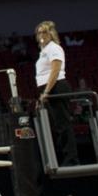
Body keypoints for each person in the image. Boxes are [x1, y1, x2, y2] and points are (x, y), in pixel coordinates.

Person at [35, 21, 77, 166]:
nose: (41, 35)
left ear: (51, 33)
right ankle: (63, 158)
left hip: (56, 87)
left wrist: (46, 91)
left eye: (44, 32)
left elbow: (55, 70)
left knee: (63, 124)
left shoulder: (54, 48)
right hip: (49, 89)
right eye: (39, 32)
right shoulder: (44, 51)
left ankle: (71, 159)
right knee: (57, 126)